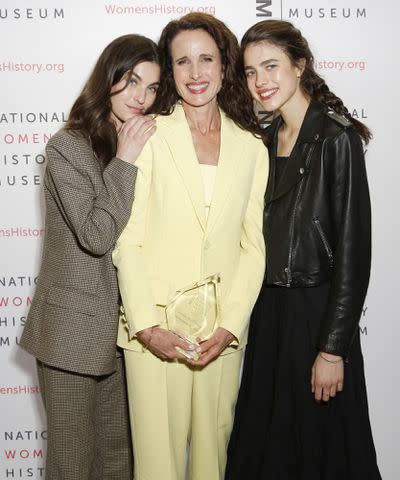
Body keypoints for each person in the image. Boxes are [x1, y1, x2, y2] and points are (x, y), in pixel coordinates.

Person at [112, 13, 268, 480]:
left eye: (207, 60)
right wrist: (145, 326)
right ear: (170, 69)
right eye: (182, 62)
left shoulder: (252, 147)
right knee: (157, 468)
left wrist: (231, 325)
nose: (195, 74)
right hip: (156, 332)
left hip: (218, 337)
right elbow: (128, 240)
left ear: (225, 67)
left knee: (211, 465)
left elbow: (252, 248)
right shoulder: (150, 136)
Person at [225, 20, 382, 480]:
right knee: (266, 449)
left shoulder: (337, 138)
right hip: (269, 313)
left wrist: (333, 349)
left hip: (316, 316)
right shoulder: (265, 140)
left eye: (271, 66)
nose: (261, 82)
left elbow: (354, 253)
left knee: (321, 450)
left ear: (300, 65)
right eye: (251, 72)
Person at [19, 34, 160, 480]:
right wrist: (127, 158)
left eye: (153, 87)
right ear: (108, 78)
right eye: (132, 80)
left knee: (120, 461)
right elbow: (96, 235)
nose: (142, 96)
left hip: (124, 336)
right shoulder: (68, 147)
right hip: (70, 336)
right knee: (74, 465)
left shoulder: (143, 143)